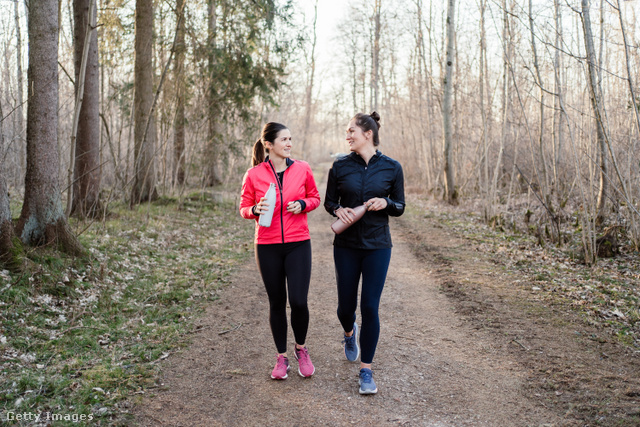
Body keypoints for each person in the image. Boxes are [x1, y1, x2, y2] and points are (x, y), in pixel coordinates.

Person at [324, 112, 405, 394]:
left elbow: (400, 206)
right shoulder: (340, 166)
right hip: (346, 246)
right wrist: (338, 209)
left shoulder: (392, 168)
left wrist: (386, 202)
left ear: (367, 133)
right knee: (345, 308)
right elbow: (329, 202)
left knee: (370, 306)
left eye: (351, 131)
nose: (347, 136)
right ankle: (349, 333)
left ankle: (366, 371)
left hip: (378, 246)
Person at [239, 122, 320, 380]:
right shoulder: (253, 175)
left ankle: (301, 349)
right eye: (284, 139)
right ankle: (281, 357)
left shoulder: (303, 168)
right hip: (267, 245)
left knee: (298, 301)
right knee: (276, 303)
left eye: (290, 139)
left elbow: (316, 198)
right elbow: (244, 207)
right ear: (269, 145)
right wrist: (254, 211)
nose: (289, 144)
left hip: (298, 243)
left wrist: (302, 204)